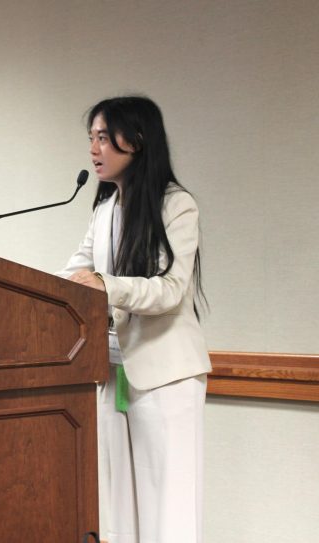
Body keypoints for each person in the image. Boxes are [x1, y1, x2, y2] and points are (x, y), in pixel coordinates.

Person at [57, 96, 212, 543]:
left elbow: (169, 290)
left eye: (103, 138)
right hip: (110, 374)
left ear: (138, 140)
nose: (93, 150)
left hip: (167, 377)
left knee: (169, 508)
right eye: (91, 138)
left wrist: (106, 285)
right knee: (115, 509)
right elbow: (72, 275)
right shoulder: (104, 211)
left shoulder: (176, 206)